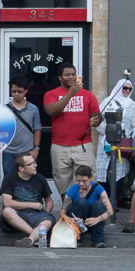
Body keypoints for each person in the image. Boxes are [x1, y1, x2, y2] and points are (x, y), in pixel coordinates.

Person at [44, 63, 101, 196]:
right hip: (59, 146)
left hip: (83, 146)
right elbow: (51, 111)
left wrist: (97, 121)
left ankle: (83, 207)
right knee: (62, 183)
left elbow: (97, 116)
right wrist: (70, 93)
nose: (71, 77)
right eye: (67, 75)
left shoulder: (88, 95)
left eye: (73, 74)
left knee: (87, 182)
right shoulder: (51, 94)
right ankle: (68, 208)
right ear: (60, 77)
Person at [95, 77, 135, 193]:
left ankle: (114, 200)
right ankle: (107, 198)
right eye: (124, 88)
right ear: (119, 88)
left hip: (123, 142)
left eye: (130, 89)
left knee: (120, 172)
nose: (127, 91)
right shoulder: (107, 102)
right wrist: (109, 130)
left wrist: (133, 140)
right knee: (102, 170)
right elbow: (97, 121)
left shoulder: (133, 105)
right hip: (106, 141)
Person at [0, 153, 55, 247]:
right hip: (17, 214)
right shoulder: (9, 179)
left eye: (35, 162)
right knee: (6, 211)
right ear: (21, 168)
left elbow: (49, 201)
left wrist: (45, 213)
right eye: (31, 164)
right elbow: (7, 202)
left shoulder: (40, 178)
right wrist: (32, 205)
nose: (35, 165)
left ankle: (30, 240)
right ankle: (35, 235)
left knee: (48, 221)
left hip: (36, 214)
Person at [59, 165, 113, 247]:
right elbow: (62, 212)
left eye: (84, 181)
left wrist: (98, 219)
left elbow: (110, 211)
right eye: (79, 181)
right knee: (82, 202)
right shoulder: (73, 189)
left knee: (99, 204)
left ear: (90, 178)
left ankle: (98, 240)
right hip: (78, 220)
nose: (81, 184)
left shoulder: (98, 189)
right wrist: (70, 219)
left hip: (93, 222)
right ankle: (77, 237)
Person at [2, 75, 43, 184]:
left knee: (29, 180)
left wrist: (36, 149)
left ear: (26, 91)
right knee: (10, 180)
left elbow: (37, 129)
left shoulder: (33, 109)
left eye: (20, 91)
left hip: (27, 150)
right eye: (13, 91)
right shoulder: (4, 109)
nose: (16, 94)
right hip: (8, 151)